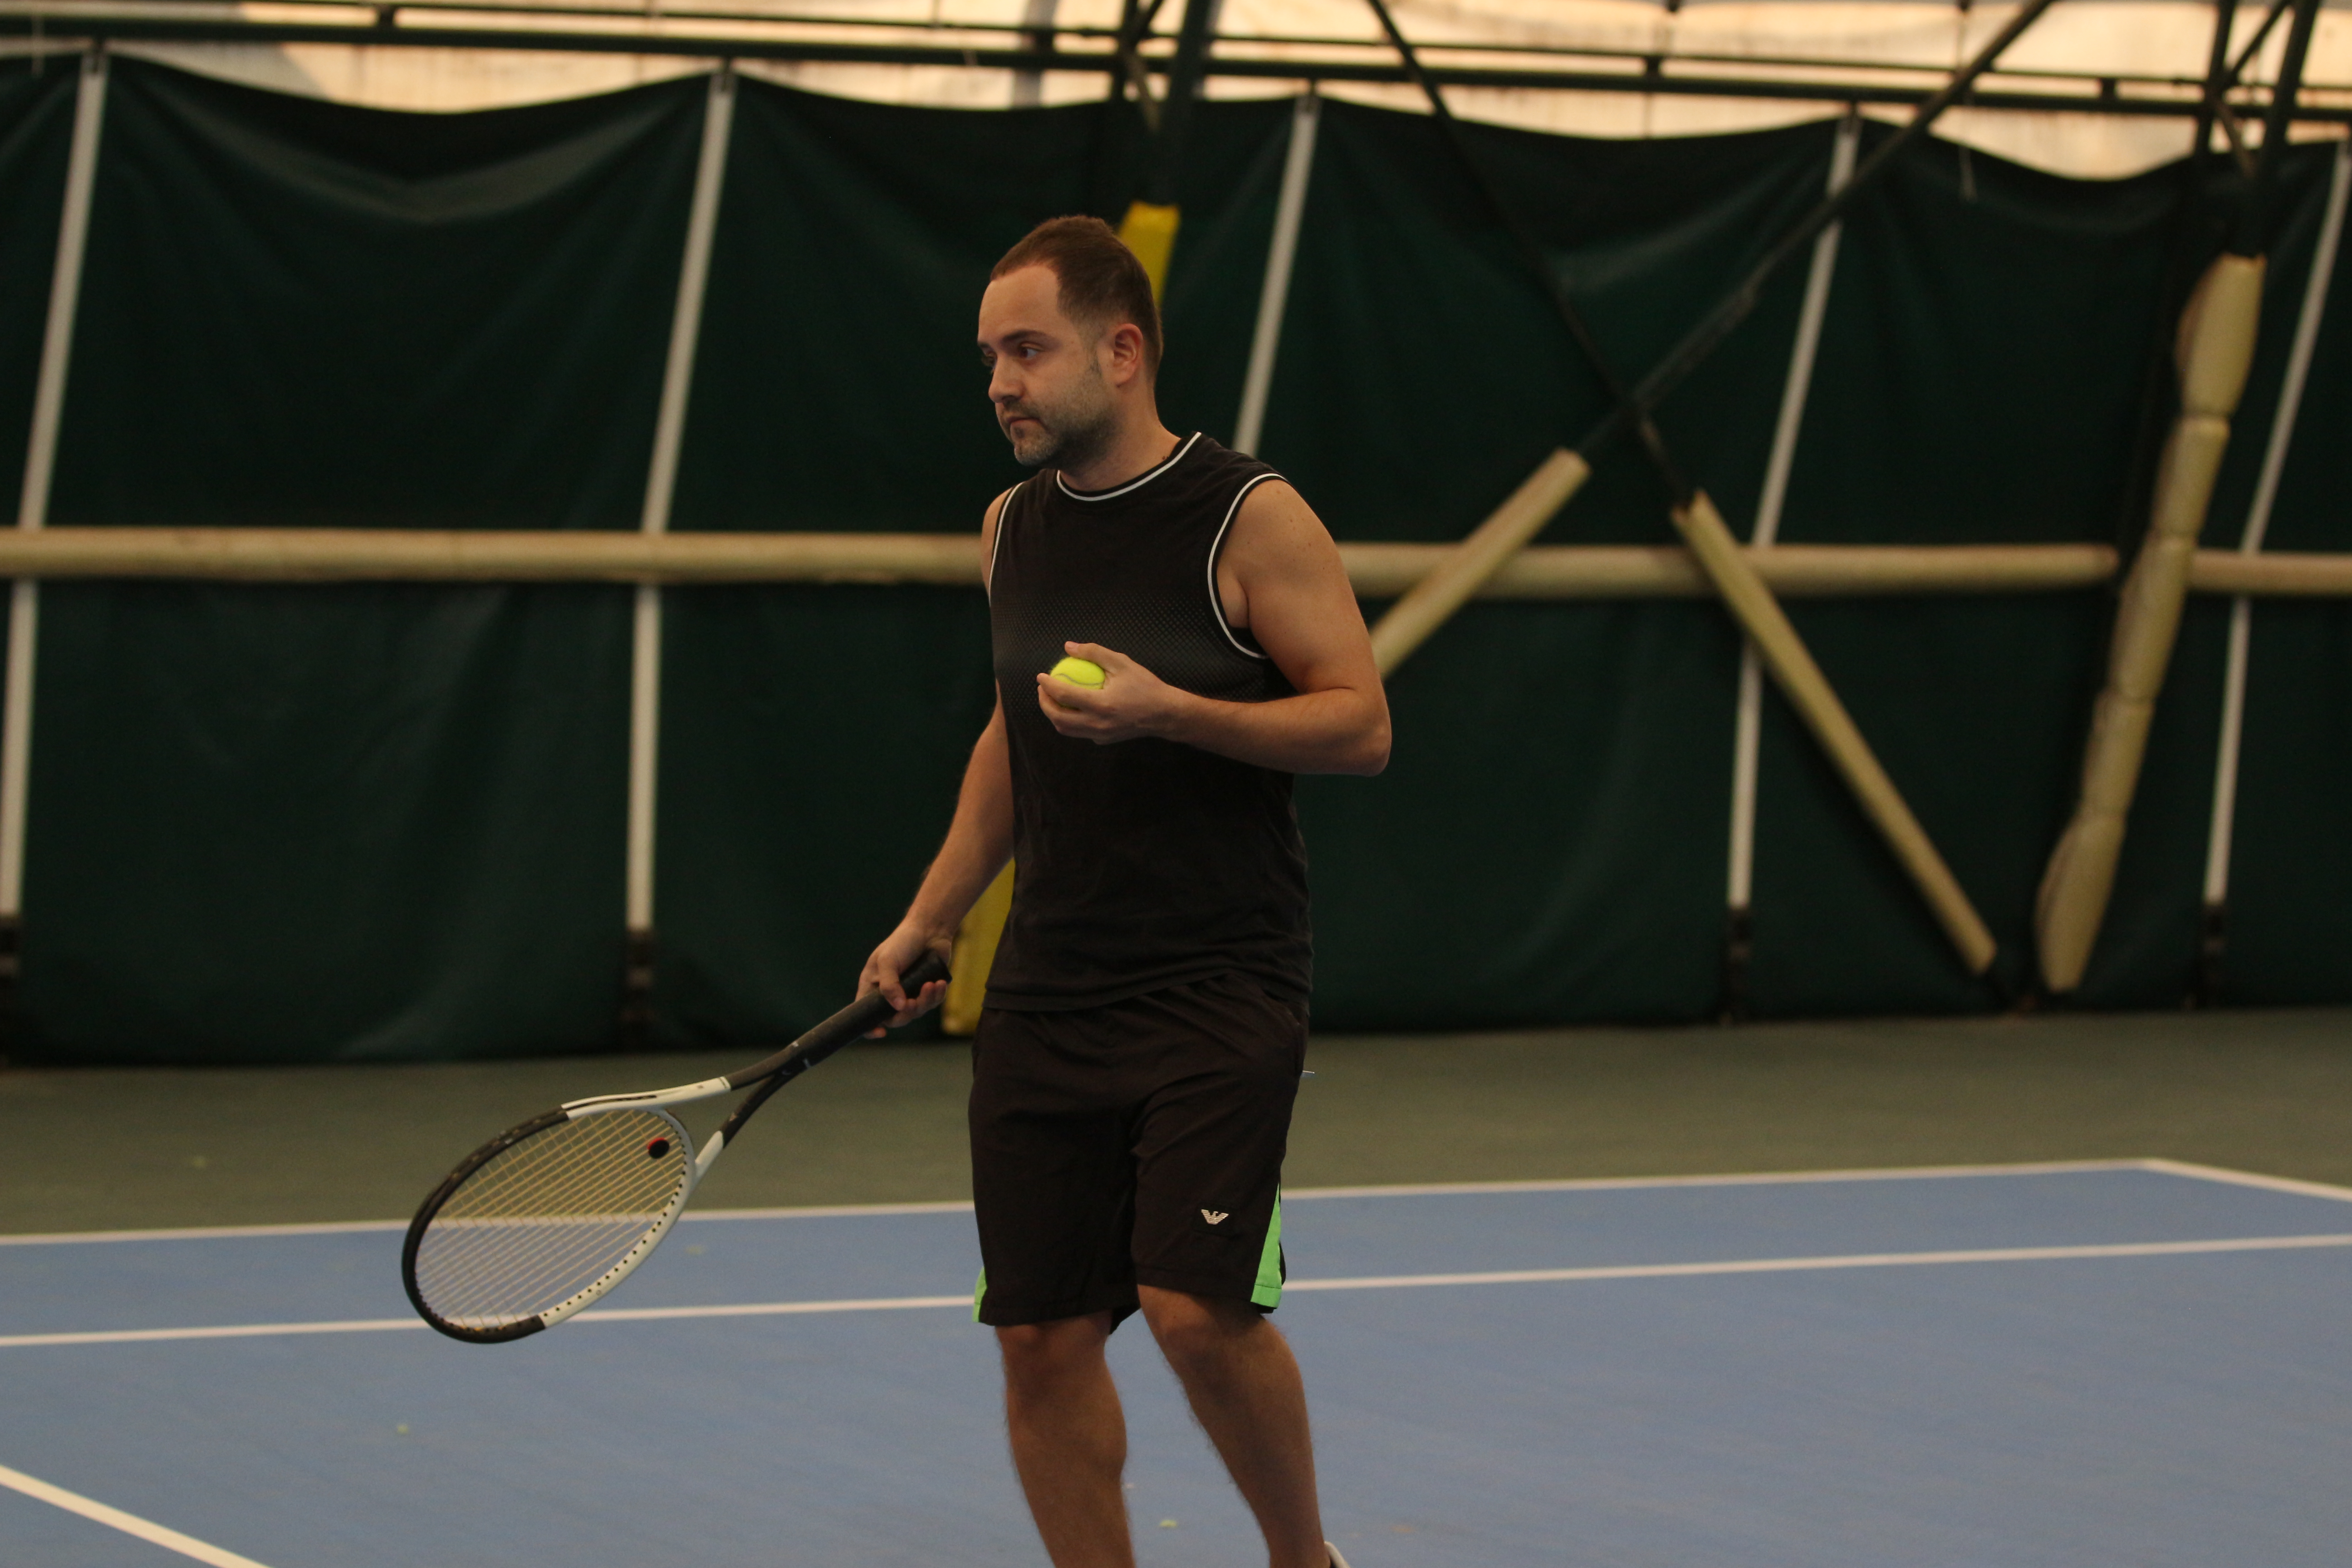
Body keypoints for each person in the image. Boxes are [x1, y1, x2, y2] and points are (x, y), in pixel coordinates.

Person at [860, 214, 1390, 1568]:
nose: (1001, 383)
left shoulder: (1249, 517)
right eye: (990, 357)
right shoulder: (1010, 529)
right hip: (1051, 988)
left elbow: (1360, 723)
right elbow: (1012, 733)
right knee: (1039, 1337)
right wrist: (931, 914)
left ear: (1123, 350)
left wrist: (1176, 712)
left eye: (1028, 351)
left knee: (1195, 1309)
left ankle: (1305, 1562)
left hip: (1221, 981)